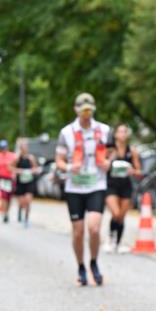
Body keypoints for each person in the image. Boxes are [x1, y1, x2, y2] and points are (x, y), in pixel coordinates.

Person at [55, 93, 110, 286]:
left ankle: (93, 263)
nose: (86, 113)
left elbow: (111, 153)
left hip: (96, 185)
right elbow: (59, 161)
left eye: (89, 109)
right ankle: (80, 266)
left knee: (94, 228)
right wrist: (69, 167)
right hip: (75, 187)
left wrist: (108, 162)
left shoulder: (104, 130)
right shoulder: (67, 132)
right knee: (78, 232)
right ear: (76, 109)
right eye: (82, 109)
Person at [103, 123, 142, 253]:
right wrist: (108, 161)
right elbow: (101, 165)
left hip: (126, 186)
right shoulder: (109, 150)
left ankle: (118, 243)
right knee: (116, 213)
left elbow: (139, 171)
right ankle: (110, 237)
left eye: (125, 131)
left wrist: (133, 171)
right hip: (111, 185)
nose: (123, 134)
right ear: (115, 134)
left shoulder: (132, 151)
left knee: (121, 216)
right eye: (120, 131)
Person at [13, 138, 40, 229]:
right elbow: (10, 168)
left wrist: (32, 171)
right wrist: (19, 171)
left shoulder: (31, 158)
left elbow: (36, 169)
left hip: (29, 182)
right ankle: (20, 210)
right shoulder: (17, 158)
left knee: (28, 201)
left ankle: (26, 219)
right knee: (22, 202)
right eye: (23, 146)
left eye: (26, 146)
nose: (24, 147)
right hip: (20, 183)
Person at [0, 139, 18, 222]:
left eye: (5, 147)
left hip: (10, 179)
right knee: (3, 197)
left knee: (9, 197)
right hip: (2, 179)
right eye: (2, 148)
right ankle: (4, 213)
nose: (3, 149)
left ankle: (7, 211)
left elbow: (15, 166)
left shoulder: (12, 156)